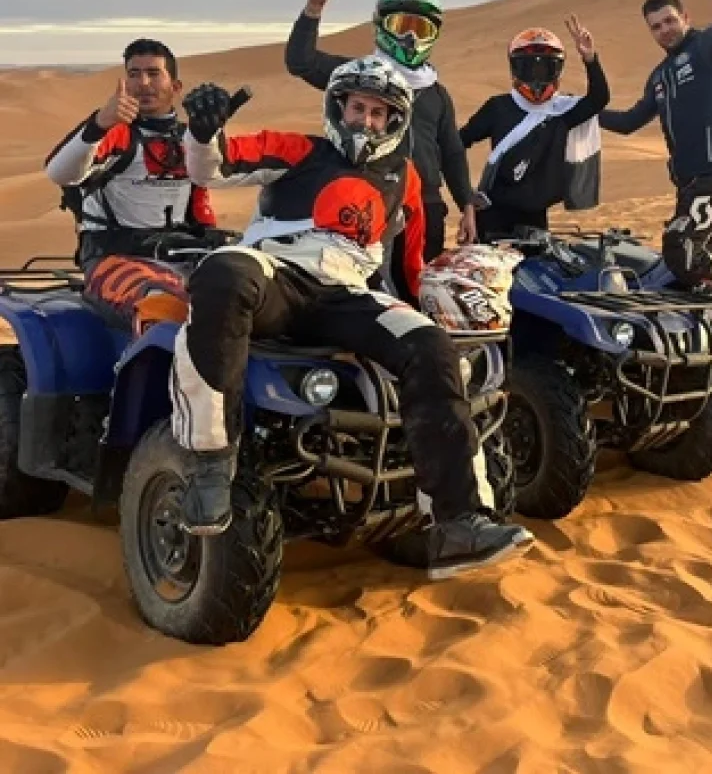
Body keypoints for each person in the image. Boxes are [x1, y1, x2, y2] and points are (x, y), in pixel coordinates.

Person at [172, 57, 534, 579]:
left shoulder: (404, 178)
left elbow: (408, 261)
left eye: (378, 112)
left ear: (394, 121)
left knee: (432, 344)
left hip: (347, 294)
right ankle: (210, 463)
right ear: (338, 109)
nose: (366, 120)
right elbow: (212, 167)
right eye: (358, 108)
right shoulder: (300, 150)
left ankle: (459, 522)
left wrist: (417, 307)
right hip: (277, 276)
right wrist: (204, 133)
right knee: (224, 271)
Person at [284, 0, 475, 261]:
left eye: (421, 30)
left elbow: (452, 152)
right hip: (368, 199)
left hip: (425, 206)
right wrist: (313, 8)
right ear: (381, 26)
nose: (410, 37)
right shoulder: (358, 77)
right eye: (400, 25)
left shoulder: (437, 93)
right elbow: (300, 62)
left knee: (420, 285)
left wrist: (466, 203)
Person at [43, 38, 228, 332]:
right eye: (134, 74)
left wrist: (211, 130)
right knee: (161, 303)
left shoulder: (191, 140)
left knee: (246, 290)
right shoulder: (116, 135)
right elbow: (60, 172)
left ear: (175, 87)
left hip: (184, 256)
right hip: (116, 261)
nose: (143, 83)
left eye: (153, 74)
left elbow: (215, 179)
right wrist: (100, 123)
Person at [598, 0, 712, 295]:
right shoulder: (660, 75)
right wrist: (586, 111)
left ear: (685, 17)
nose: (664, 30)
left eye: (669, 21)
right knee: (696, 249)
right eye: (656, 27)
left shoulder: (708, 45)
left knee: (679, 245)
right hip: (688, 181)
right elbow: (629, 121)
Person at [458, 16, 608, 240]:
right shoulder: (498, 107)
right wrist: (467, 194)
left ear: (557, 70)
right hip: (492, 215)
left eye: (546, 68)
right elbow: (457, 144)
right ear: (515, 68)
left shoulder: (562, 111)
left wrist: (590, 58)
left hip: (536, 219)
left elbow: (599, 98)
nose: (537, 77)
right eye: (528, 68)